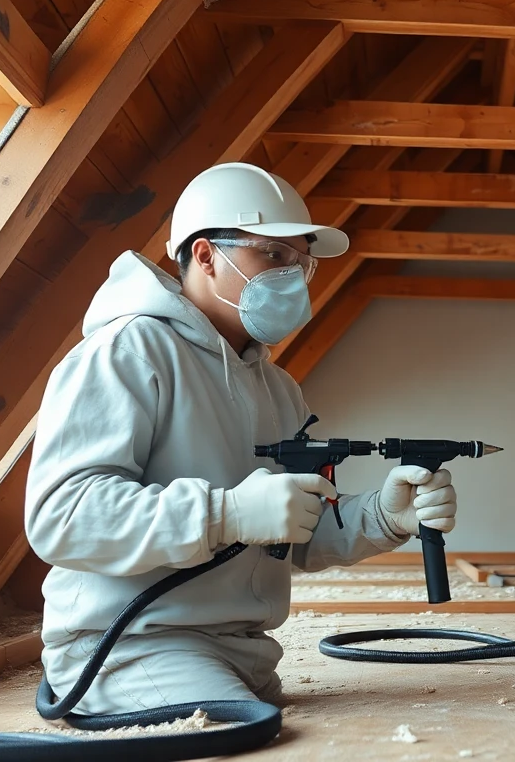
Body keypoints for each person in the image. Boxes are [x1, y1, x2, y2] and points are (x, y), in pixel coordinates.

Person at [23, 162, 458, 716]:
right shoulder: (129, 352)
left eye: (302, 263)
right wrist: (226, 513)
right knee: (254, 740)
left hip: (245, 653)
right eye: (273, 255)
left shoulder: (278, 389)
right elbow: (63, 516)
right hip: (129, 646)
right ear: (205, 256)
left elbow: (288, 531)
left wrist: (384, 516)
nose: (293, 277)